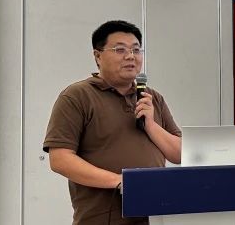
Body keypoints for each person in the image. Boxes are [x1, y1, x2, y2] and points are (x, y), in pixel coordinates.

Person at [43, 20, 182, 225]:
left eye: (136, 50)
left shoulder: (152, 98)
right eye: (120, 49)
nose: (130, 56)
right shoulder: (77, 96)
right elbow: (60, 159)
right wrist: (120, 181)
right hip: (102, 219)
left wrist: (151, 126)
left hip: (157, 216)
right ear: (97, 56)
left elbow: (179, 154)